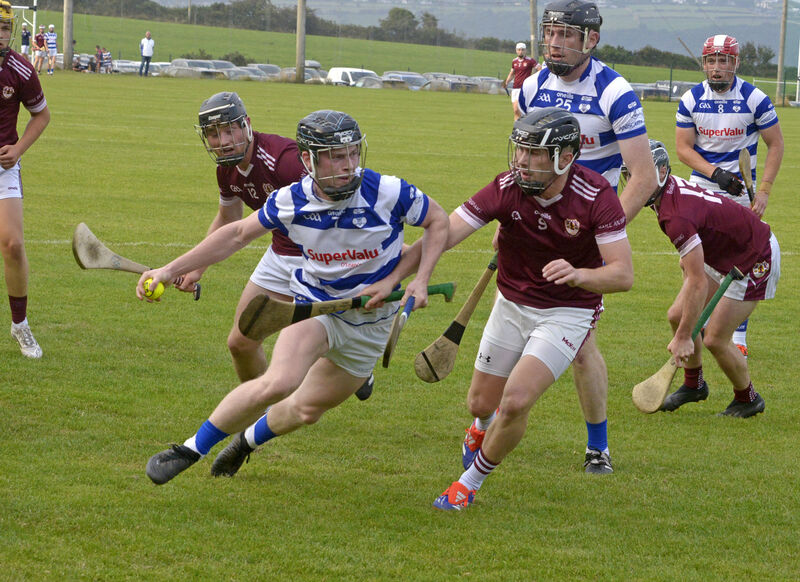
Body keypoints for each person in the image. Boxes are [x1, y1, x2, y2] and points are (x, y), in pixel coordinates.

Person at [141, 110, 449, 486]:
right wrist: (169, 270)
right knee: (280, 382)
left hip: (371, 326)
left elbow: (438, 221)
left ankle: (245, 442)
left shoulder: (388, 192)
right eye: (336, 156)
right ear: (308, 160)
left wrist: (414, 280)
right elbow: (236, 234)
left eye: (353, 153)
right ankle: (190, 449)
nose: (348, 165)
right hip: (314, 308)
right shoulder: (292, 200)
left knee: (305, 411)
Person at [424, 108, 632, 510]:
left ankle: (468, 484)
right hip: (512, 303)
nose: (520, 160)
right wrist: (401, 269)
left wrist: (579, 274)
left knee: (516, 400)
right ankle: (481, 427)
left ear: (565, 157)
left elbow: (623, 275)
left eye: (533, 152)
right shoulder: (507, 186)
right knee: (480, 404)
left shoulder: (596, 197)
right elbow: (447, 233)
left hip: (567, 311)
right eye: (519, 148)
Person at [508, 0, 656, 474]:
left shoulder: (615, 91)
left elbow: (643, 176)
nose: (555, 42)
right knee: (511, 324)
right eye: (551, 32)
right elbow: (524, 160)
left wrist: (603, 232)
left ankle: (598, 447)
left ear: (591, 39)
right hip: (533, 228)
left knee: (581, 343)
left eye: (567, 34)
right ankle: (490, 419)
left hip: (584, 232)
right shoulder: (532, 86)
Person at [180, 92, 374, 401]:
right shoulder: (226, 169)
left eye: (229, 129)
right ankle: (259, 410)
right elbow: (229, 219)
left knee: (314, 347)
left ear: (247, 124)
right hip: (281, 254)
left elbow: (339, 201)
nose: (223, 140)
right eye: (213, 134)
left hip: (320, 257)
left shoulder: (284, 160)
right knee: (240, 343)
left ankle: (354, 364)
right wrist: (196, 267)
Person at [633, 140, 778, 418]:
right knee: (677, 315)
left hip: (755, 255)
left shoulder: (675, 215)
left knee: (715, 339)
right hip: (721, 252)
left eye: (644, 174)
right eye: (633, 174)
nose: (637, 182)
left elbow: (697, 282)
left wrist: (685, 337)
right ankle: (694, 385)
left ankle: (748, 398)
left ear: (662, 171)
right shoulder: (665, 193)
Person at [675, 34, 784, 357]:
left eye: (724, 61)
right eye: (712, 61)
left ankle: (738, 333)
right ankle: (703, 321)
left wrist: (763, 190)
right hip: (702, 190)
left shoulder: (755, 99)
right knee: (693, 261)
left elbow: (775, 144)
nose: (717, 68)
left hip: (740, 195)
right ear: (704, 64)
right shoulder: (691, 99)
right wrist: (715, 174)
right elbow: (683, 148)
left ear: (735, 63)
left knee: (741, 260)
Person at [0, 1, 50, 358]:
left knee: (14, 245)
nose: (0, 35)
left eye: (4, 29)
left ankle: (20, 325)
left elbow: (41, 116)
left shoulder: (20, 68)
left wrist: (18, 151)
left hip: (4, 165)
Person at [502, 42, 538, 119]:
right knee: (515, 112)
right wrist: (506, 82)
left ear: (525, 51)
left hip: (524, 88)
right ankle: (516, 128)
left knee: (517, 109)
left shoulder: (530, 61)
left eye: (522, 50)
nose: (520, 51)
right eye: (519, 50)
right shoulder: (514, 61)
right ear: (516, 51)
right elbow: (512, 73)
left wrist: (534, 80)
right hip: (515, 88)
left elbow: (540, 69)